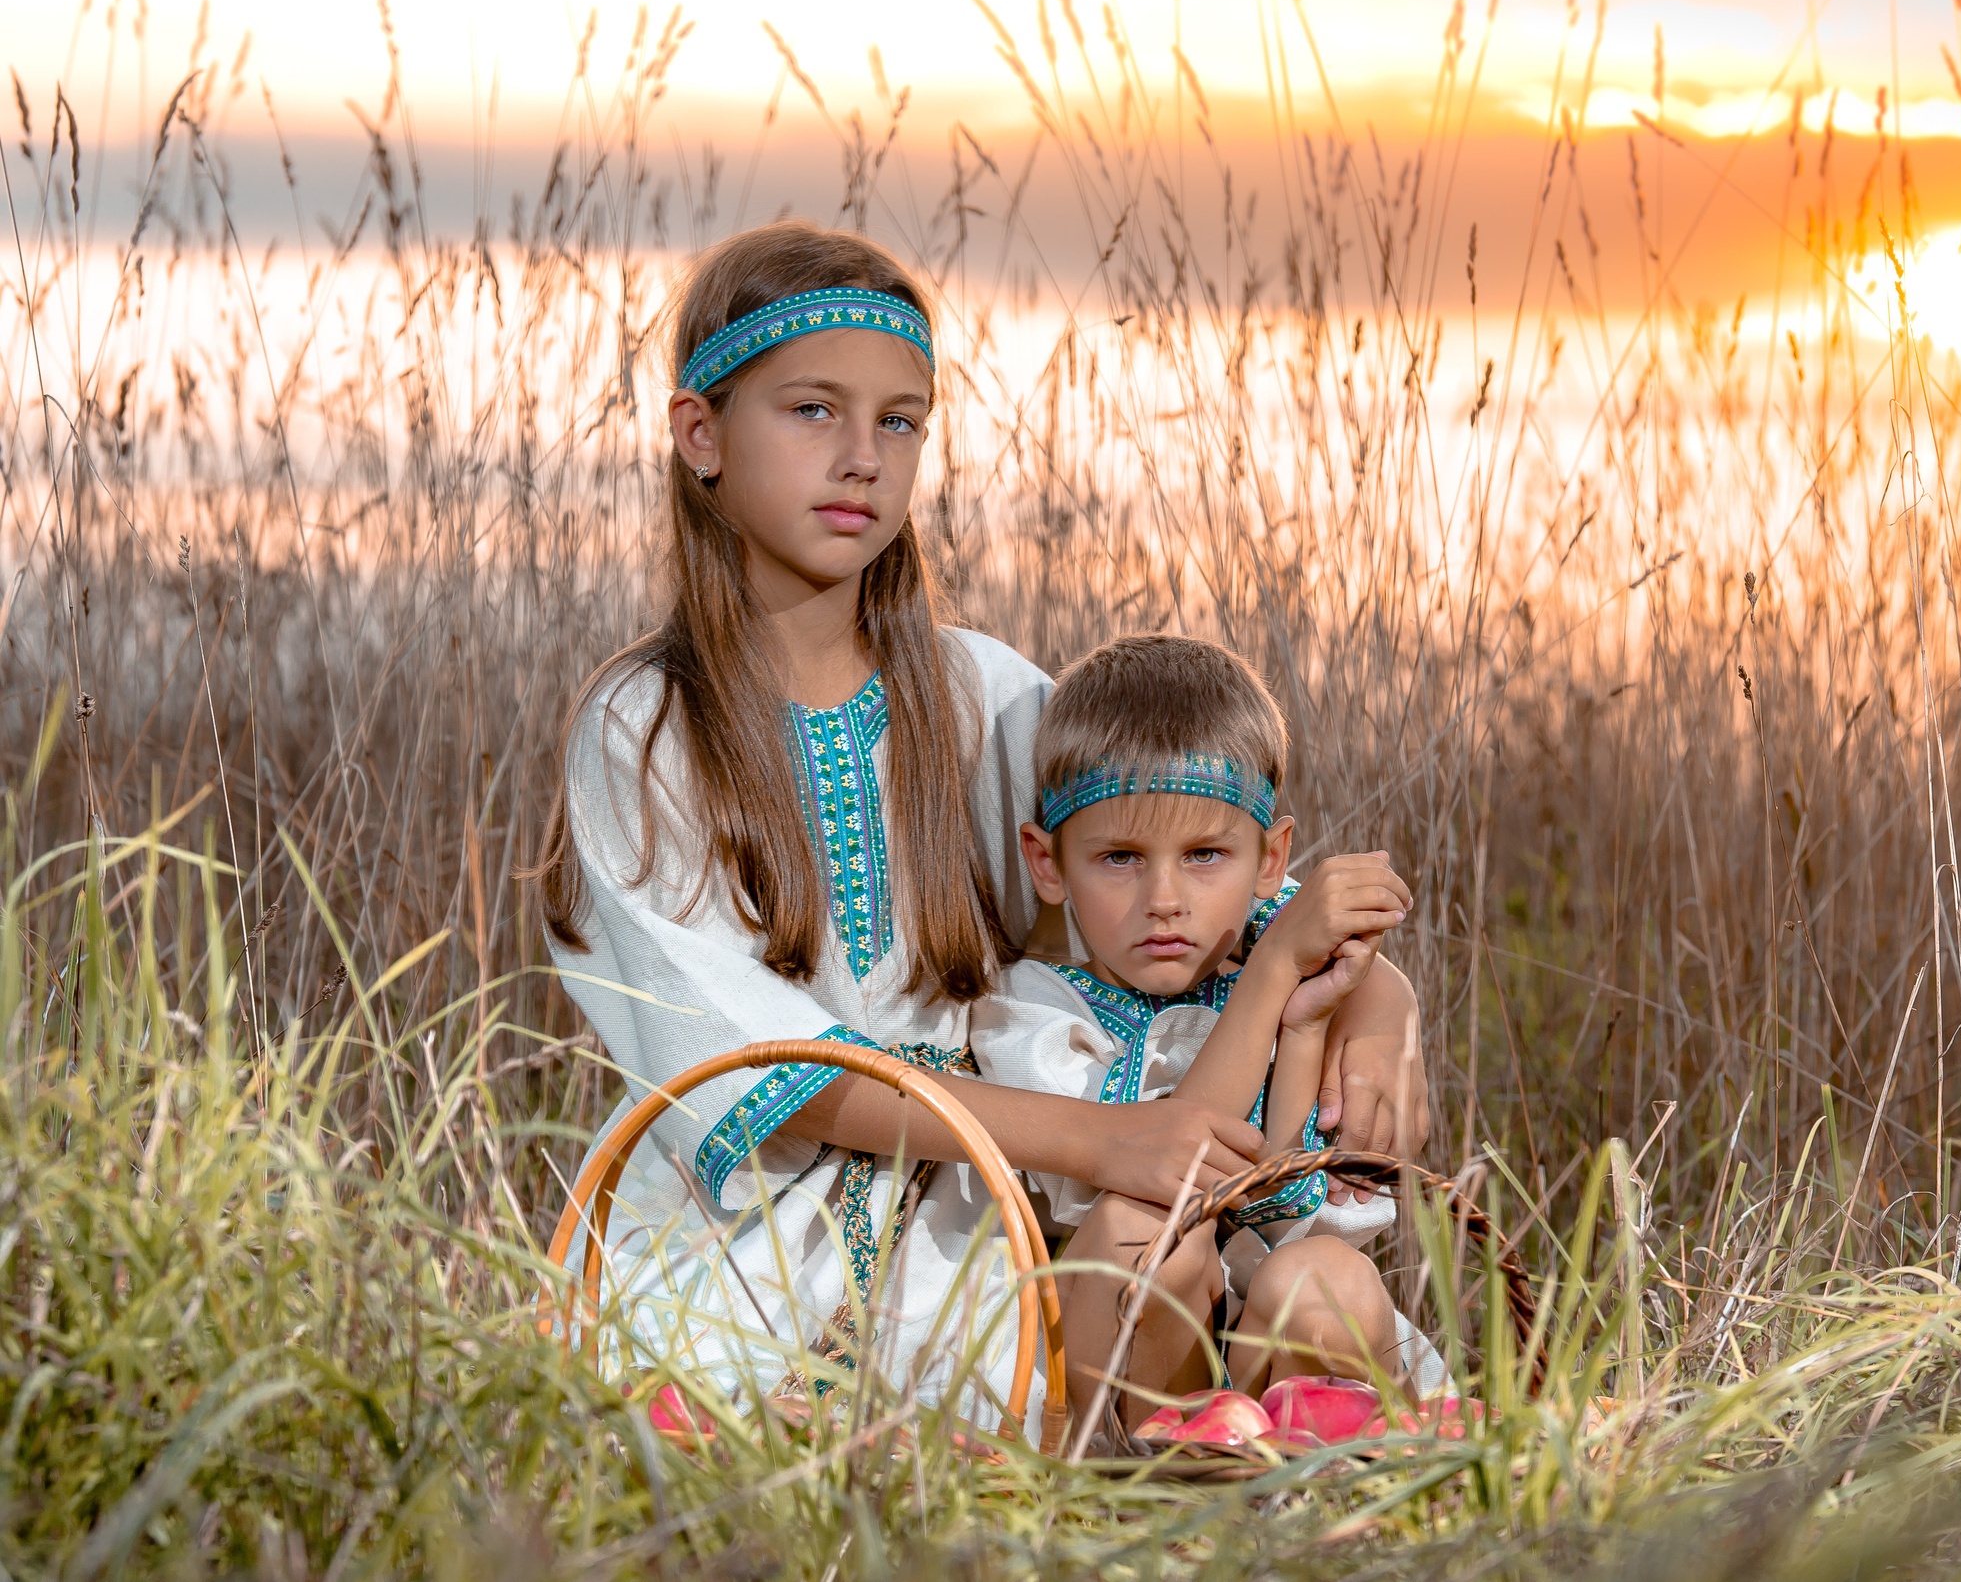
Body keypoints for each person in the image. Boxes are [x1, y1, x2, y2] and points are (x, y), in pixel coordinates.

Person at [534, 221, 1427, 1438]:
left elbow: (1196, 890)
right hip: (746, 1220)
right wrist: (1106, 1139)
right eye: (811, 410)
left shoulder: (989, 694)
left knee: (1114, 1333)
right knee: (723, 1433)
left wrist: (1383, 1011)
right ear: (701, 435)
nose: (860, 457)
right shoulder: (643, 731)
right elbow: (753, 1064)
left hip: (982, 1214)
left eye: (900, 421)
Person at [972, 635, 1443, 1447]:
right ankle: (1158, 1492)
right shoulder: (1032, 1011)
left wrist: (1304, 1027)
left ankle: (1312, 1482)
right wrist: (1269, 977)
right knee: (1145, 1241)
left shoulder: (1285, 977)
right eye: (1120, 857)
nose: (1165, 899)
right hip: (1128, 1371)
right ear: (1047, 863)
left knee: (1326, 1276)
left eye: (1205, 855)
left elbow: (1282, 1198)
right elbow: (1173, 1175)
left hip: (1256, 1342)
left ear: (1272, 859)